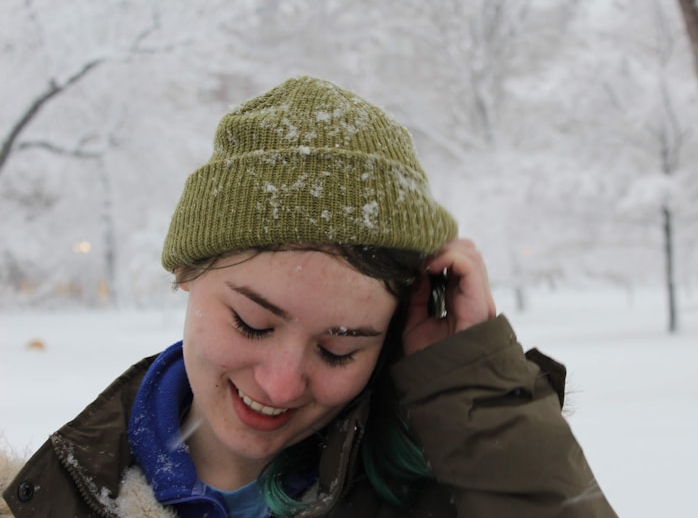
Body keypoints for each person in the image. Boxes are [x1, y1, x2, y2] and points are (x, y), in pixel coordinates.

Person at [1, 76, 617, 517]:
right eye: (251, 323)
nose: (281, 384)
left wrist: (475, 382)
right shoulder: (54, 494)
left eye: (340, 349)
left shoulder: (443, 490)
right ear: (188, 273)